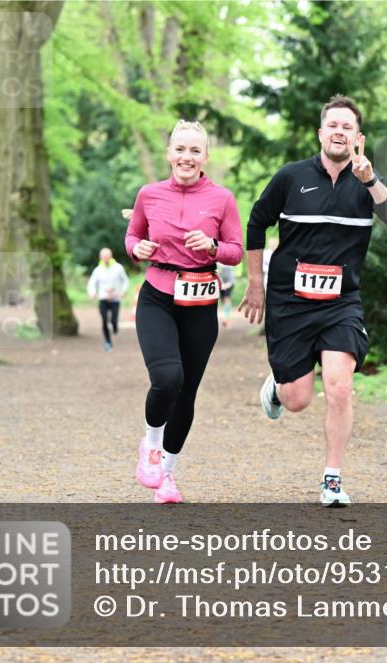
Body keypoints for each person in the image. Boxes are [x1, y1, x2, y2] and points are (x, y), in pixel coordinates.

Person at [238, 95, 387, 506]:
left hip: (340, 303)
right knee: (298, 401)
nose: (338, 132)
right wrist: (255, 284)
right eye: (332, 125)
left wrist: (370, 180)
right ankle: (279, 389)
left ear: (358, 137)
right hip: (290, 301)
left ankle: (332, 479)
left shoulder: (368, 182)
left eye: (347, 127)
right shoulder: (291, 177)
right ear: (320, 133)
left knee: (339, 387)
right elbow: (257, 223)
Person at [126, 120, 244, 504]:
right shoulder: (149, 194)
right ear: (169, 154)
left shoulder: (222, 198)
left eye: (195, 151)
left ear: (205, 157)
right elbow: (133, 235)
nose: (186, 157)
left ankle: (168, 477)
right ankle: (152, 446)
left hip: (200, 302)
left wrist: (212, 247)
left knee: (187, 392)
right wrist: (136, 249)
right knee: (167, 377)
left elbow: (235, 250)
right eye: (180, 149)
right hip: (157, 295)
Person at [87, 247, 130, 351]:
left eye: (107, 257)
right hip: (103, 299)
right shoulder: (97, 270)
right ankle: (108, 341)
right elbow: (92, 283)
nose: (105, 259)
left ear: (111, 256)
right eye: (103, 257)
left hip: (115, 299)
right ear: (100, 257)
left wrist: (124, 291)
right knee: (104, 320)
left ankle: (115, 326)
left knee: (114, 320)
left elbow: (125, 280)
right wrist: (92, 293)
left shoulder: (118, 268)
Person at [218, 263, 235, 327]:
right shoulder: (217, 262)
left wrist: (227, 285)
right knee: (223, 301)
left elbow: (231, 277)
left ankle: (227, 319)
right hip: (222, 284)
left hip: (229, 284)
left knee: (226, 299)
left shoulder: (228, 264)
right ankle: (226, 318)